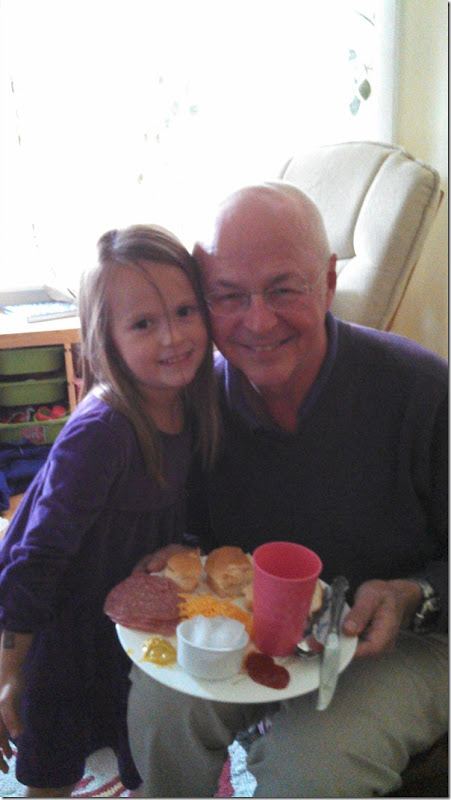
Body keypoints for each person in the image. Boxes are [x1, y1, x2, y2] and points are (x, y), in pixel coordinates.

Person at [127, 184, 448, 797]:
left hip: (413, 638)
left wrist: (414, 595)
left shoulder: (424, 393)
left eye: (284, 289)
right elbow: (194, 532)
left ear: (327, 282)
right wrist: (180, 551)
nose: (257, 321)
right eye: (228, 296)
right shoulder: (196, 404)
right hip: (259, 621)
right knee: (162, 703)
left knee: (309, 765)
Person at [0, 224, 220, 797]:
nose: (172, 336)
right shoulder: (102, 431)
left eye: (184, 311)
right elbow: (38, 556)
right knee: (51, 765)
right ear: (108, 338)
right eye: (143, 323)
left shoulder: (194, 405)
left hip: (130, 623)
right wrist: (10, 667)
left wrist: (183, 545)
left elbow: (192, 510)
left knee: (137, 747)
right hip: (63, 628)